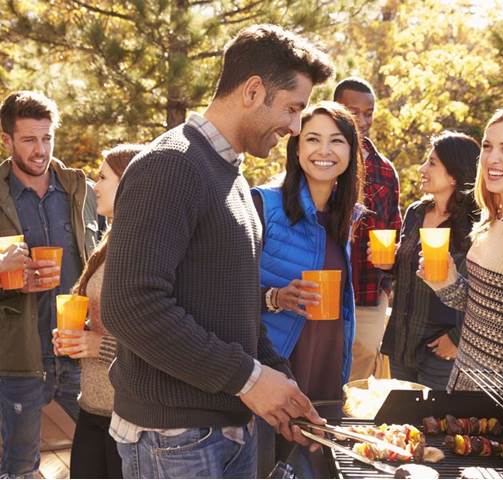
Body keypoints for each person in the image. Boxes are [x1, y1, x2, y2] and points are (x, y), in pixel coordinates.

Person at [100, 24, 334, 479]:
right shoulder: (171, 165)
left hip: (224, 429)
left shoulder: (233, 179)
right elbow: (130, 305)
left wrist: (279, 386)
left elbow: (237, 310)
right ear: (252, 91)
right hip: (173, 441)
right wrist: (249, 379)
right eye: (291, 108)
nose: (294, 127)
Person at [252, 102, 362, 475]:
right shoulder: (262, 205)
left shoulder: (345, 216)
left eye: (336, 141)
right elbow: (222, 293)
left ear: (351, 151)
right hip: (275, 371)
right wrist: (276, 297)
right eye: (312, 139)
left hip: (327, 371)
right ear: (296, 149)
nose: (324, 151)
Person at [0, 90, 99, 478]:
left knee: (114, 451)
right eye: (28, 140)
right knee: (19, 468)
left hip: (79, 348)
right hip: (19, 353)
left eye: (47, 138)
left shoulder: (81, 189)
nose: (40, 150)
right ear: (6, 140)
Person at [419, 105, 503, 391]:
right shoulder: (491, 219)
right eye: (488, 147)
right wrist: (447, 283)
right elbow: (484, 309)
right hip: (464, 382)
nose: (492, 158)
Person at [52, 144, 144, 479]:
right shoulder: (110, 243)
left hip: (129, 420)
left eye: (103, 177)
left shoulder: (143, 251)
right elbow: (107, 321)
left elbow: (161, 342)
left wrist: (98, 345)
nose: (94, 185)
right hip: (91, 408)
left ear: (129, 184)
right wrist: (76, 336)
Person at [377, 131, 479, 390]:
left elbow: (482, 292)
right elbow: (409, 273)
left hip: (440, 349)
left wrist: (458, 339)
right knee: (402, 423)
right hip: (403, 342)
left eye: (432, 163)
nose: (422, 168)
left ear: (455, 175)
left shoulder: (475, 226)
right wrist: (390, 265)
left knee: (433, 423)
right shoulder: (416, 212)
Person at [333, 77, 401, 381]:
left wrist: (389, 274)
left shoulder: (385, 170)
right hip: (322, 289)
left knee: (359, 377)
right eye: (353, 111)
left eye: (369, 112)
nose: (362, 120)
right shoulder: (320, 160)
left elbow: (394, 229)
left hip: (368, 291)